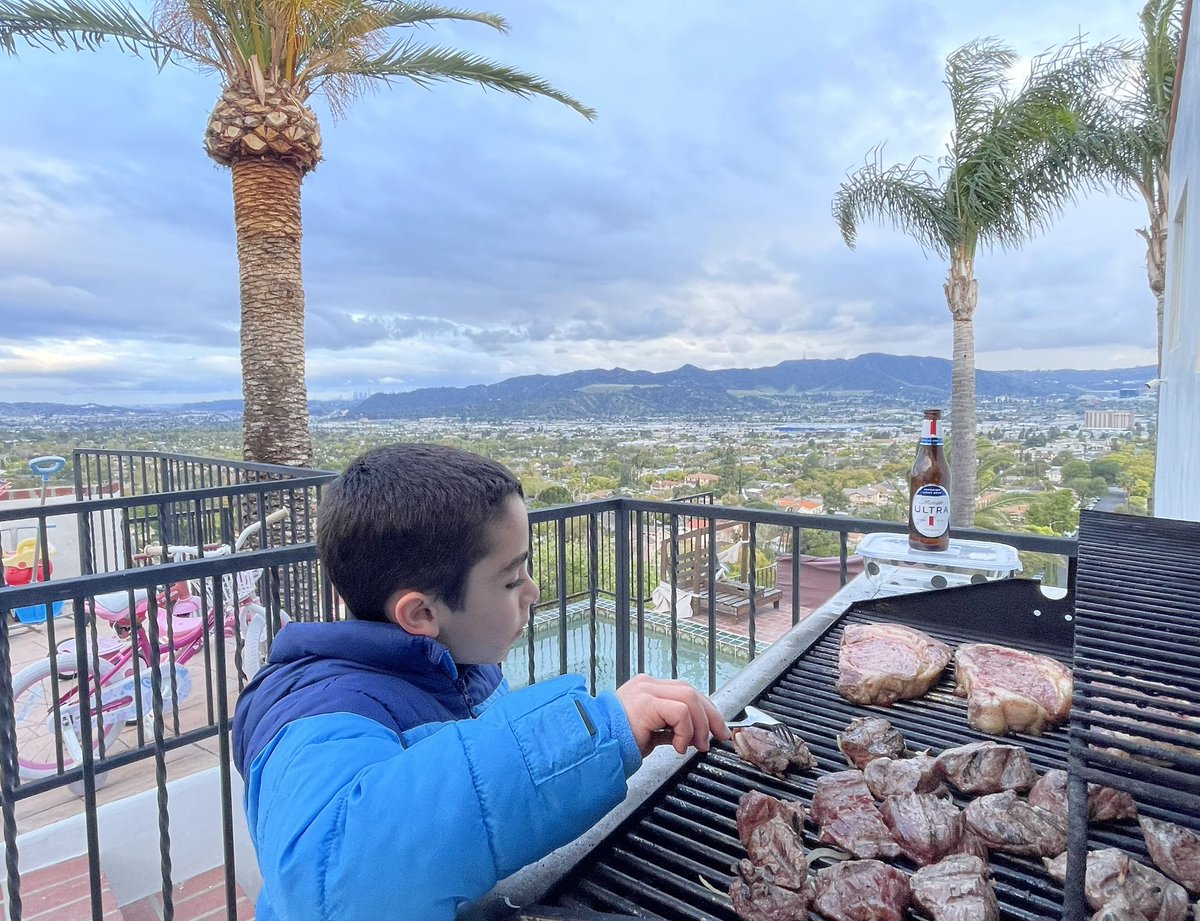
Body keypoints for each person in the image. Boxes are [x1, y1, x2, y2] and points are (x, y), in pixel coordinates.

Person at [232, 443, 731, 921]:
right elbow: (333, 887)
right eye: (512, 579)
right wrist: (592, 733)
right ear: (422, 612)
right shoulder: (315, 711)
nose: (533, 592)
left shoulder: (459, 668)